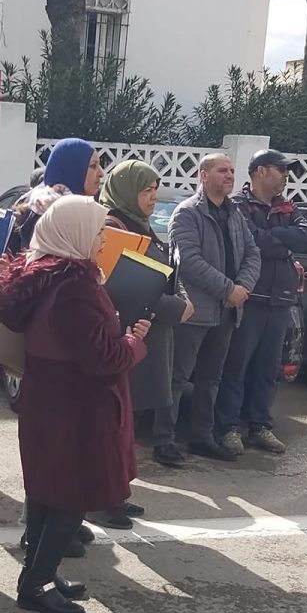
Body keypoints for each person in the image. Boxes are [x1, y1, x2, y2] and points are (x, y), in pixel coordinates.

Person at [0, 196, 149, 613]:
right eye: (98, 231)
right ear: (75, 233)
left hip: (48, 400)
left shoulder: (44, 274)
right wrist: (134, 342)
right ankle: (36, 584)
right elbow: (102, 357)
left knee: (47, 493)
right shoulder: (74, 286)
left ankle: (38, 575)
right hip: (78, 408)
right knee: (71, 497)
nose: (103, 239)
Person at [97, 159, 192, 523]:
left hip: (146, 333)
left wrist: (180, 299)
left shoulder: (142, 226)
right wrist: (176, 307)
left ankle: (115, 494)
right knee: (114, 425)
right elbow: (118, 288)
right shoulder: (113, 227)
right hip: (126, 335)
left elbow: (164, 273)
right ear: (126, 192)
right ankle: (102, 500)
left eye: (155, 190)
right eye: (145, 191)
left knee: (127, 426)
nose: (153, 198)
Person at [156, 153, 261, 464]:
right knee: (176, 377)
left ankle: (201, 437)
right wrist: (229, 289)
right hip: (194, 311)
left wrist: (242, 288)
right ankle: (164, 440)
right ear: (203, 175)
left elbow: (253, 254)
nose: (229, 176)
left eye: (231, 171)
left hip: (227, 312)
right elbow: (189, 262)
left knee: (211, 378)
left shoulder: (235, 214)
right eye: (222, 170)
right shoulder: (187, 214)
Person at [216, 150, 307, 456]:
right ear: (260, 171)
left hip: (280, 299)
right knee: (236, 366)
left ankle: (260, 426)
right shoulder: (238, 206)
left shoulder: (289, 207)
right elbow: (251, 241)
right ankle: (229, 427)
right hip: (249, 297)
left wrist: (273, 237)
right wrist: (282, 241)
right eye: (281, 169)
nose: (286, 176)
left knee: (268, 368)